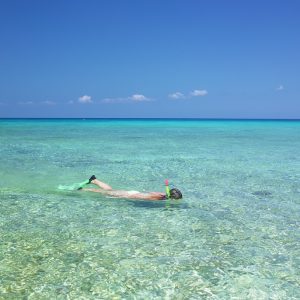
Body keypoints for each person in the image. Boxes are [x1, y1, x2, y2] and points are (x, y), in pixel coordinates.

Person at [79, 175, 183, 201]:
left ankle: (94, 180)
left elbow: (149, 193)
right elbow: (144, 197)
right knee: (105, 192)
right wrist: (126, 197)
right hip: (129, 194)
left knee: (109, 191)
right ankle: (84, 189)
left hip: (132, 193)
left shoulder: (162, 195)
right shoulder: (160, 198)